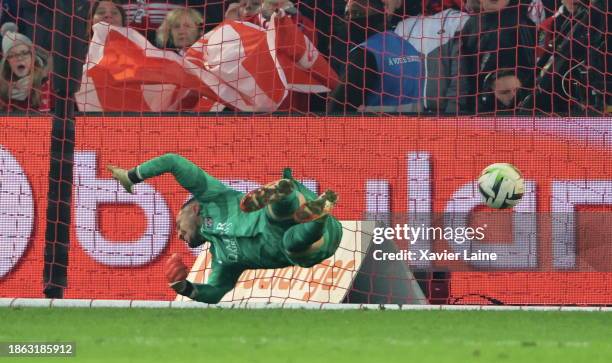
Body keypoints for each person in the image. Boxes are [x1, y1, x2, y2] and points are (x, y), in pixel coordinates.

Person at [107, 154, 342, 303]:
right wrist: (184, 288)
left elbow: (172, 161)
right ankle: (318, 216)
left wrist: (131, 176)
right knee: (293, 244)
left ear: (195, 209)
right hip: (312, 242)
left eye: (178, 224)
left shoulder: (212, 196)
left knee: (276, 215)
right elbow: (215, 292)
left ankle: (284, 192)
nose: (178, 235)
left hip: (281, 211)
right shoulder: (221, 258)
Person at [327, 0, 424, 113]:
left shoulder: (366, 54)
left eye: (355, 13)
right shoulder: (409, 48)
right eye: (348, 14)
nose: (348, 20)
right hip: (414, 128)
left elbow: (337, 110)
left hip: (377, 128)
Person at [457, 0, 537, 114]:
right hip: (475, 107)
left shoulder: (520, 22)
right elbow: (464, 69)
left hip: (510, 110)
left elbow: (528, 70)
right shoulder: (471, 24)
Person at [0, 23, 51, 112]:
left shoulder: (48, 85)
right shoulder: (2, 90)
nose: (19, 58)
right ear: (7, 62)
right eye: (12, 55)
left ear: (33, 57)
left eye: (24, 53)